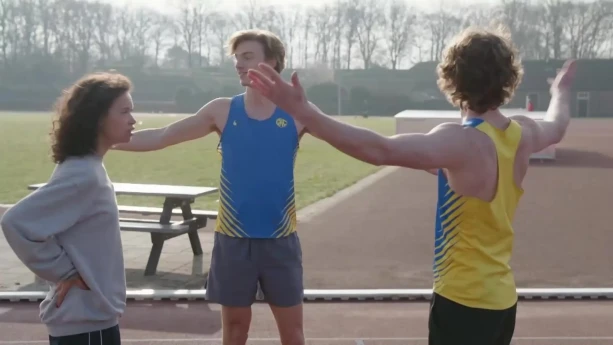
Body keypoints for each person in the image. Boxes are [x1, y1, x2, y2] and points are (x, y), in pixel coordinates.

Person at [246, 26, 576, 345]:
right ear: (508, 78)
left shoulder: (458, 141)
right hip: (502, 302)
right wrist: (559, 90)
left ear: (452, 78)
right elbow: (557, 124)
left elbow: (379, 150)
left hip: (463, 301)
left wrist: (303, 111)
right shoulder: (523, 133)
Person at [111, 29, 311, 345]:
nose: (238, 64)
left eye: (247, 57)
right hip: (233, 242)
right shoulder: (222, 110)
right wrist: (105, 141)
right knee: (234, 331)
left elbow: (349, 139)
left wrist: (392, 150)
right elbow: (163, 135)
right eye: (237, 58)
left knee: (293, 333)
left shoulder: (298, 113)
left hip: (280, 241)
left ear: (272, 61)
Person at [1, 72, 136, 345]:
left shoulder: (88, 167)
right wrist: (64, 272)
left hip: (89, 320)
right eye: (124, 111)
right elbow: (16, 221)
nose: (133, 120)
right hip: (85, 325)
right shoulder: (83, 174)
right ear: (97, 118)